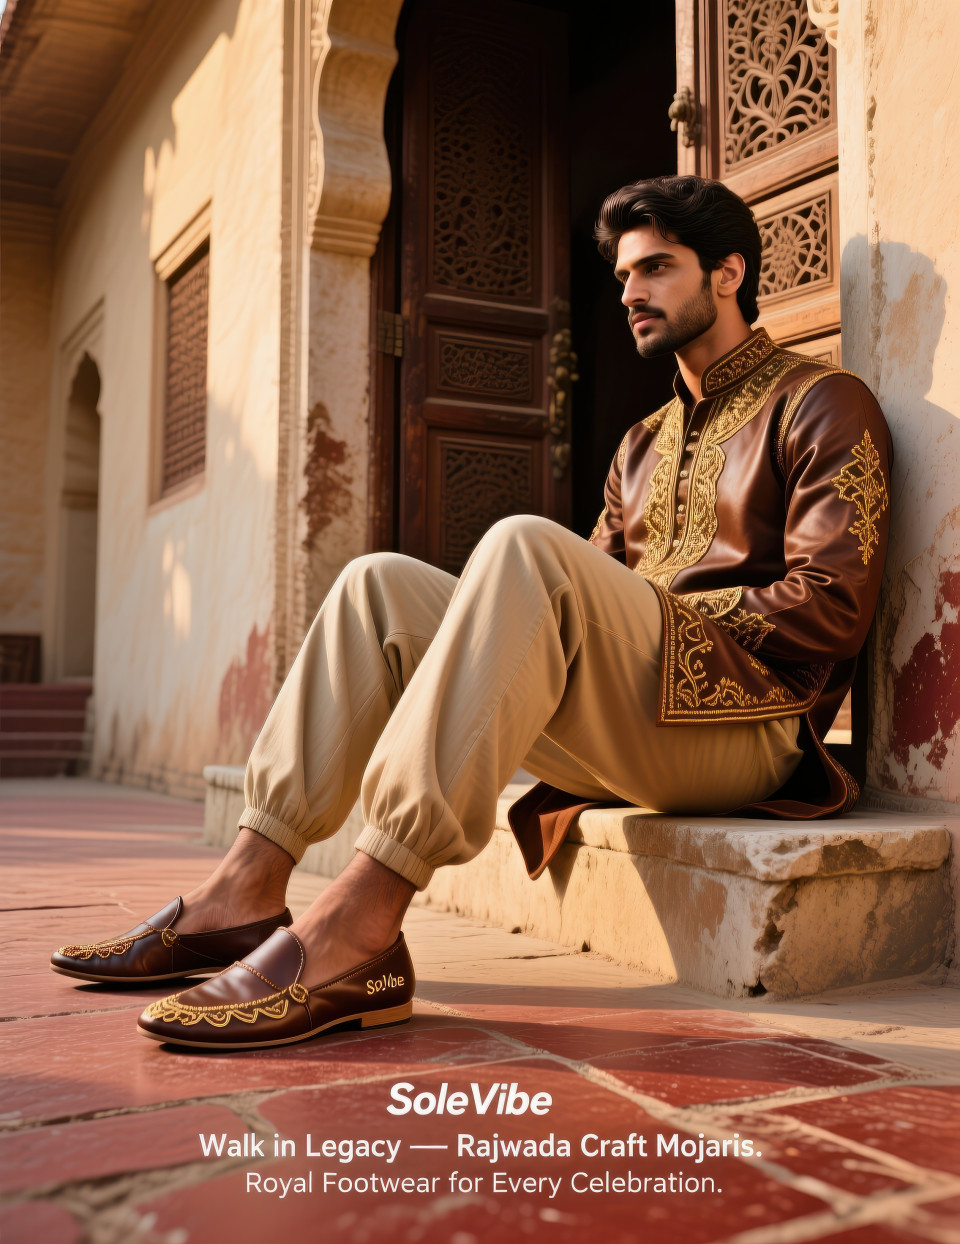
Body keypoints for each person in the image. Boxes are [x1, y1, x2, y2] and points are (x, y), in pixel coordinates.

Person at [51, 175, 892, 1050]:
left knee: (526, 545)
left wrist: (659, 617)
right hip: (636, 725)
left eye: (656, 269)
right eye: (622, 277)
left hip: (750, 730)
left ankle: (364, 919)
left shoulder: (823, 403)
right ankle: (245, 886)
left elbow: (831, 609)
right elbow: (586, 601)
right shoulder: (643, 444)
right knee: (376, 584)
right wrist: (633, 616)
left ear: (728, 274)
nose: (631, 293)